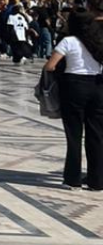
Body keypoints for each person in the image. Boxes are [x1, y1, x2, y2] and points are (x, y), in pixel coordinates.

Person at [44, 12, 103, 190]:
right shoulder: (99, 42)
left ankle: (73, 178)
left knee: (74, 134)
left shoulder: (68, 41)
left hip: (74, 87)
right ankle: (97, 180)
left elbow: (50, 66)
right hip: (98, 87)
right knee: (97, 135)